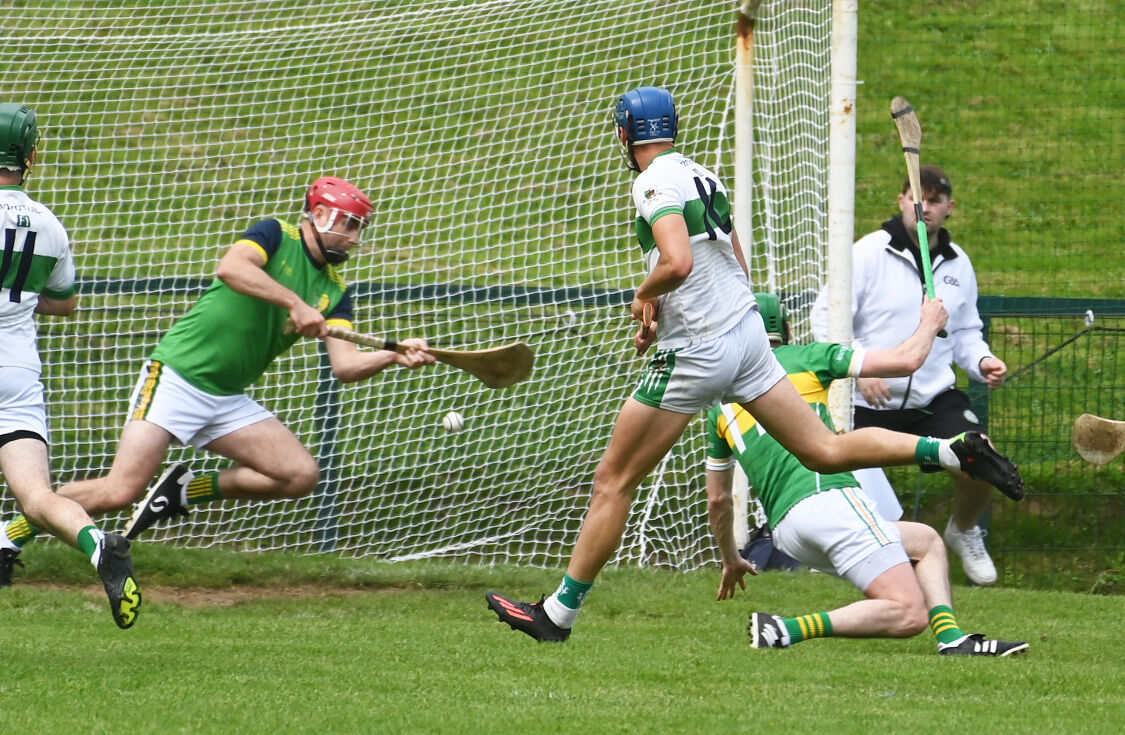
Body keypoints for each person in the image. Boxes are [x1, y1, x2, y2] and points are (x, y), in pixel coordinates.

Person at [485, 86, 1022, 643]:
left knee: (613, 481)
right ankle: (948, 450)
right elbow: (733, 264)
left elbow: (678, 261)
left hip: (699, 349)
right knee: (825, 449)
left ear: (626, 134)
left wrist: (643, 294)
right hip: (746, 337)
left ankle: (557, 615)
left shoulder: (651, 183)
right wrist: (661, 312)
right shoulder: (705, 176)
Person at [0, 175, 434, 572]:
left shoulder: (334, 290)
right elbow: (232, 268)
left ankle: (183, 490)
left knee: (299, 474)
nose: (356, 238)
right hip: (177, 375)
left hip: (226, 397)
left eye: (360, 228)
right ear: (319, 215)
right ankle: (8, 537)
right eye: (351, 225)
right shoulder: (274, 235)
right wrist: (295, 304)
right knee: (120, 491)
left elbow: (345, 364)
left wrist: (394, 356)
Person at [707, 293, 1027, 656]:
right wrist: (930, 323)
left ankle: (952, 639)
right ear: (789, 328)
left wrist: (730, 557)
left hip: (788, 532)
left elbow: (719, 499)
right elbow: (907, 360)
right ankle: (785, 629)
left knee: (925, 542)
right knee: (908, 613)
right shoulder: (807, 356)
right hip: (827, 500)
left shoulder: (721, 404)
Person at [811, 165, 1011, 586]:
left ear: (949, 208)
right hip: (864, 401)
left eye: (936, 200)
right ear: (901, 201)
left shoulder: (959, 265)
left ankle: (963, 529)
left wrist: (983, 362)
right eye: (918, 198)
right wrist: (857, 367)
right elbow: (826, 319)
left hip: (932, 400)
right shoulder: (867, 252)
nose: (926, 207)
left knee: (983, 456)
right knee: (858, 496)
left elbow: (966, 335)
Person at [0, 102, 141, 629]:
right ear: (30, 156)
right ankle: (97, 542)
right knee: (36, 497)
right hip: (16, 372)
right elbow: (64, 302)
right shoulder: (50, 226)